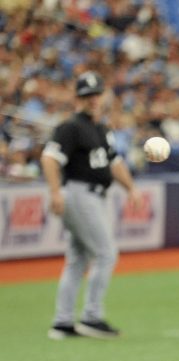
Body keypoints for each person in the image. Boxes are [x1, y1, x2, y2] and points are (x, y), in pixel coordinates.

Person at [41, 71, 140, 340]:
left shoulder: (101, 129)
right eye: (87, 95)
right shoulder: (71, 126)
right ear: (78, 98)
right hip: (79, 194)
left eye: (96, 94)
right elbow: (49, 158)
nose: (93, 100)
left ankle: (62, 323)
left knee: (77, 260)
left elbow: (114, 163)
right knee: (106, 254)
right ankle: (91, 317)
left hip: (94, 195)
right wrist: (55, 192)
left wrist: (130, 188)